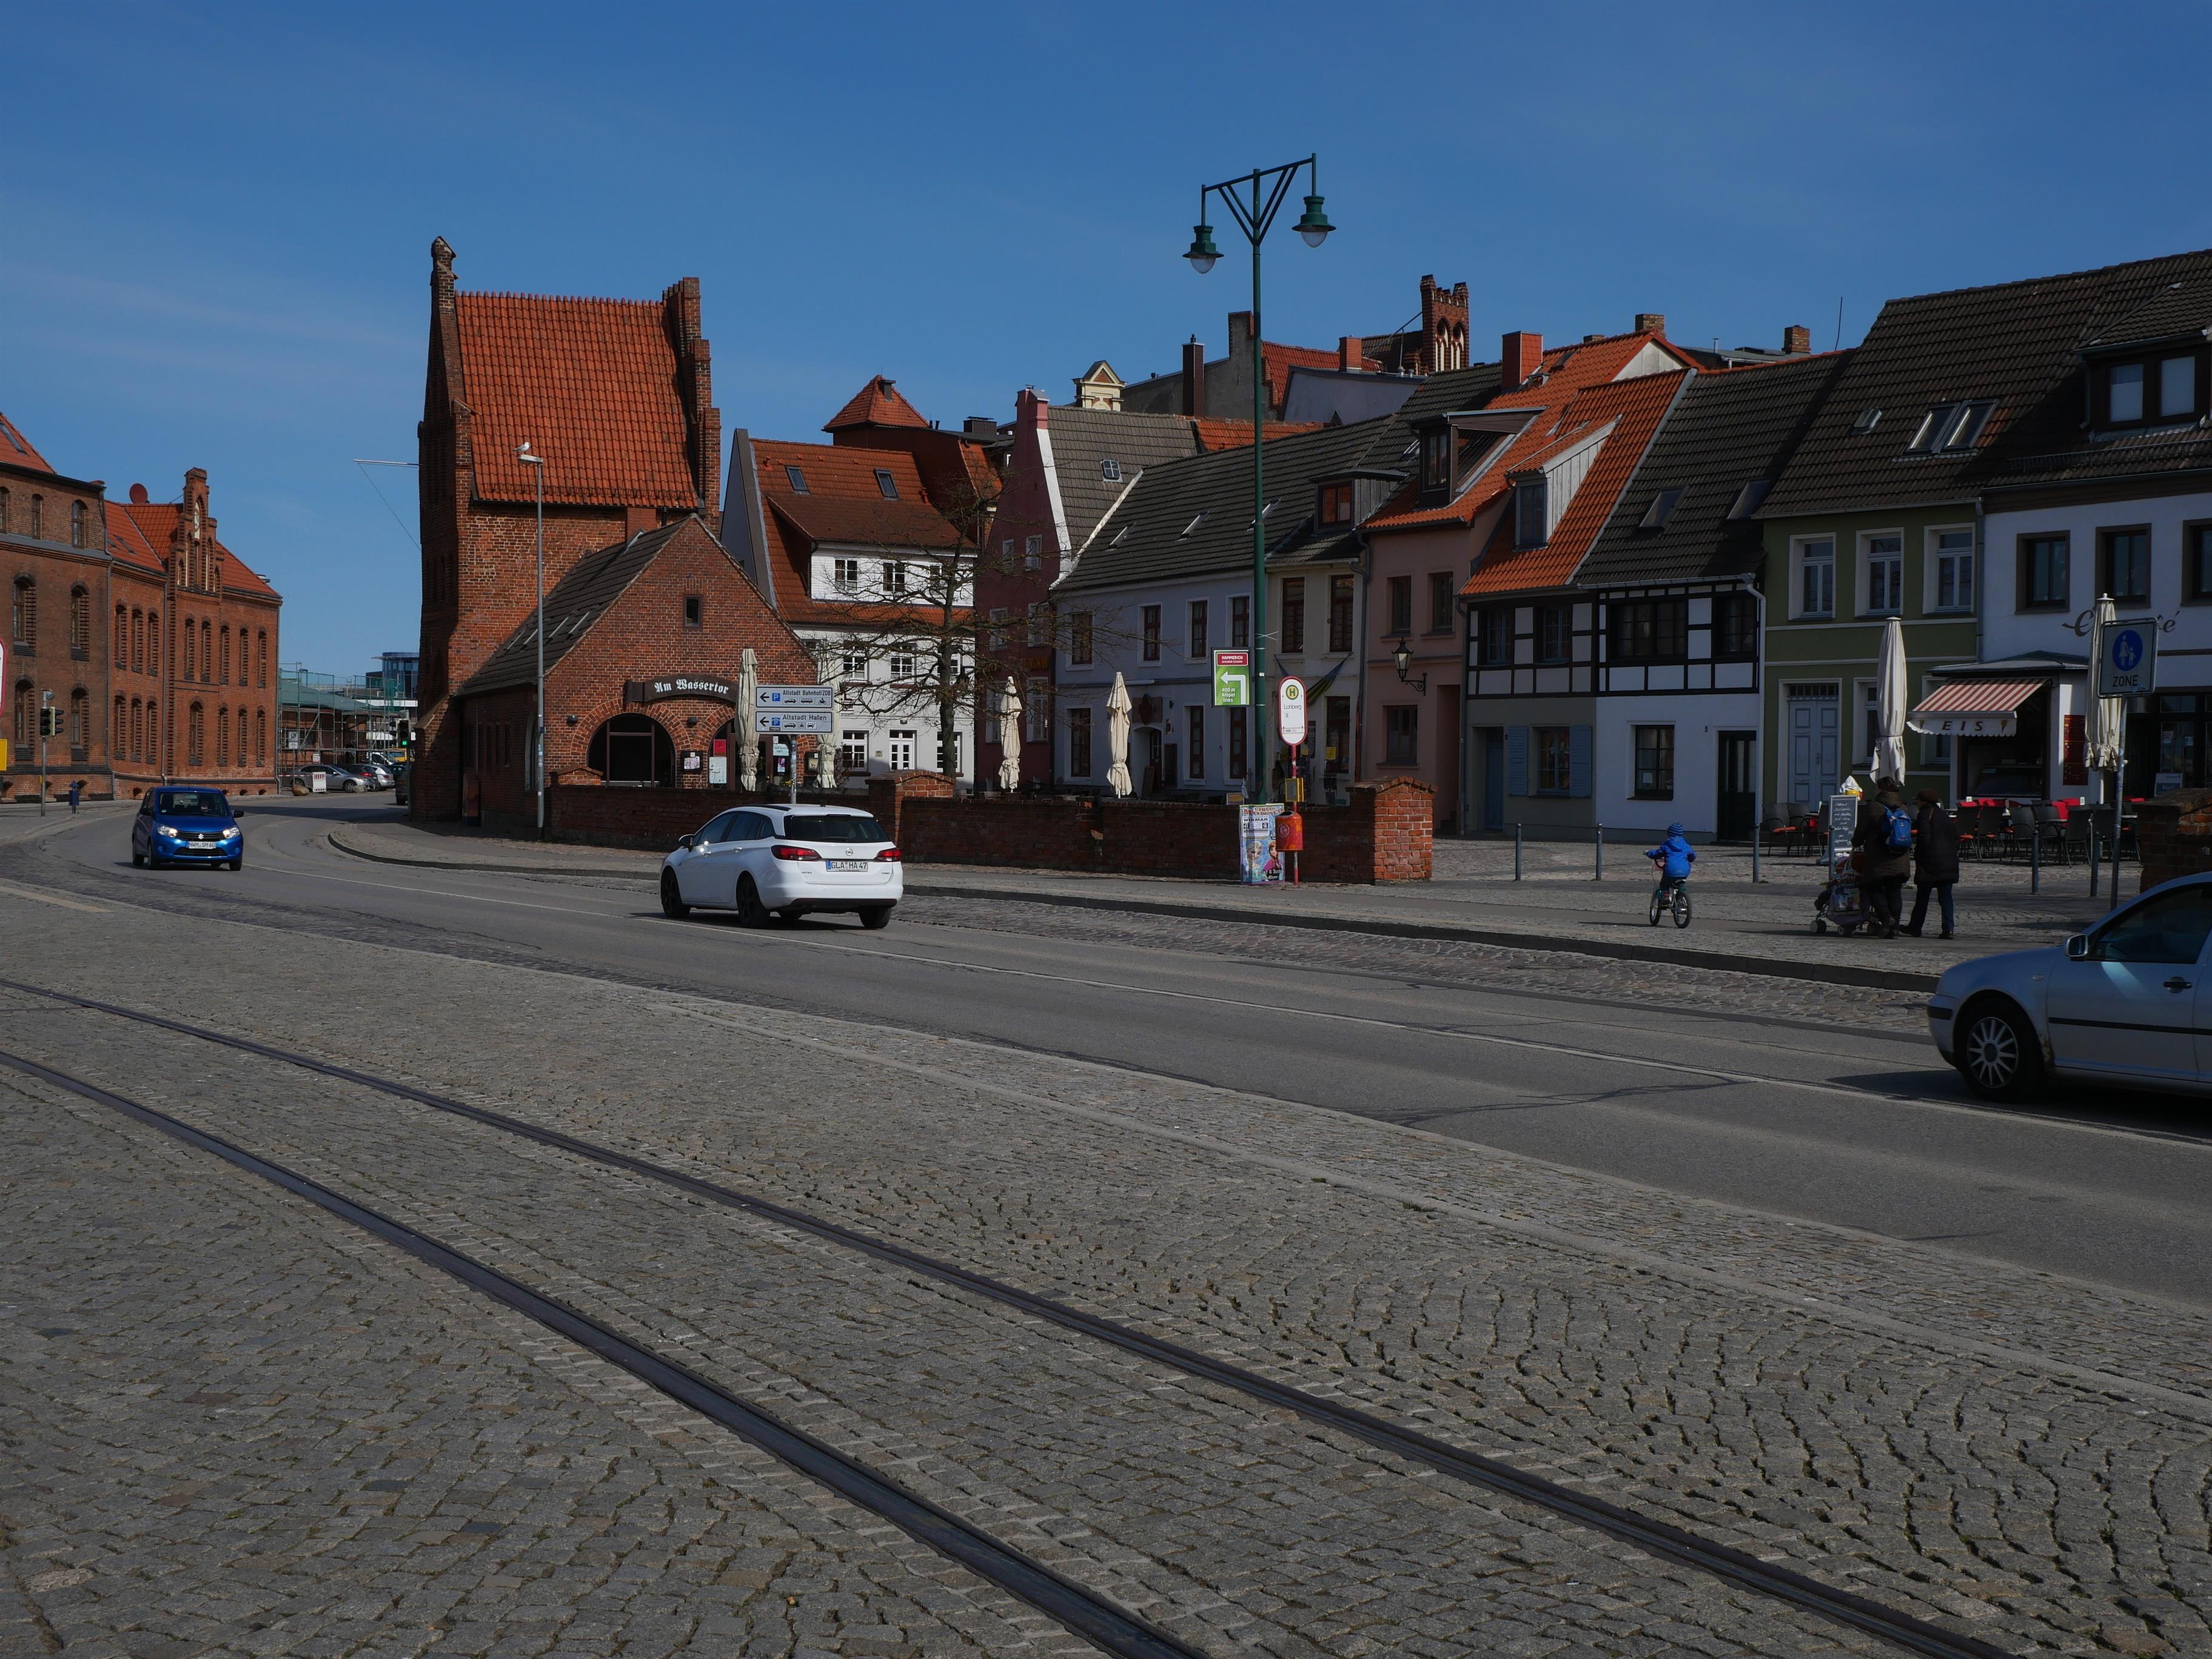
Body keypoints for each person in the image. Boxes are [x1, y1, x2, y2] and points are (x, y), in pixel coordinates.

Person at [1851, 776, 1913, 938]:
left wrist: (1856, 842)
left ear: (1879, 789)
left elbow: (1861, 832)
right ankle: (1894, 929)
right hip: (1900, 858)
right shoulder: (1904, 807)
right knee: (1895, 892)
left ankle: (1886, 919)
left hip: (1879, 858)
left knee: (1873, 887)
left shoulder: (1873, 807)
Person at [1902, 789, 1960, 938]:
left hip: (1930, 862)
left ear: (1924, 802)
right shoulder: (1944, 815)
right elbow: (1956, 838)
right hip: (1948, 862)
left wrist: (1920, 855)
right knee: (1946, 898)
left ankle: (1916, 926)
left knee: (1923, 897)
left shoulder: (1924, 815)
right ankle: (1948, 929)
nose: (1916, 802)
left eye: (1918, 800)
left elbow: (1924, 838)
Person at [1645, 821, 1696, 897]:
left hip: (1670, 871)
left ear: (1669, 834)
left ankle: (1665, 894)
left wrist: (1648, 853)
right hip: (1684, 871)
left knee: (1664, 884)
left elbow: (1657, 854)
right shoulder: (1685, 845)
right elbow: (1692, 856)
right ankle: (1681, 898)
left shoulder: (1667, 844)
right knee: (1680, 884)